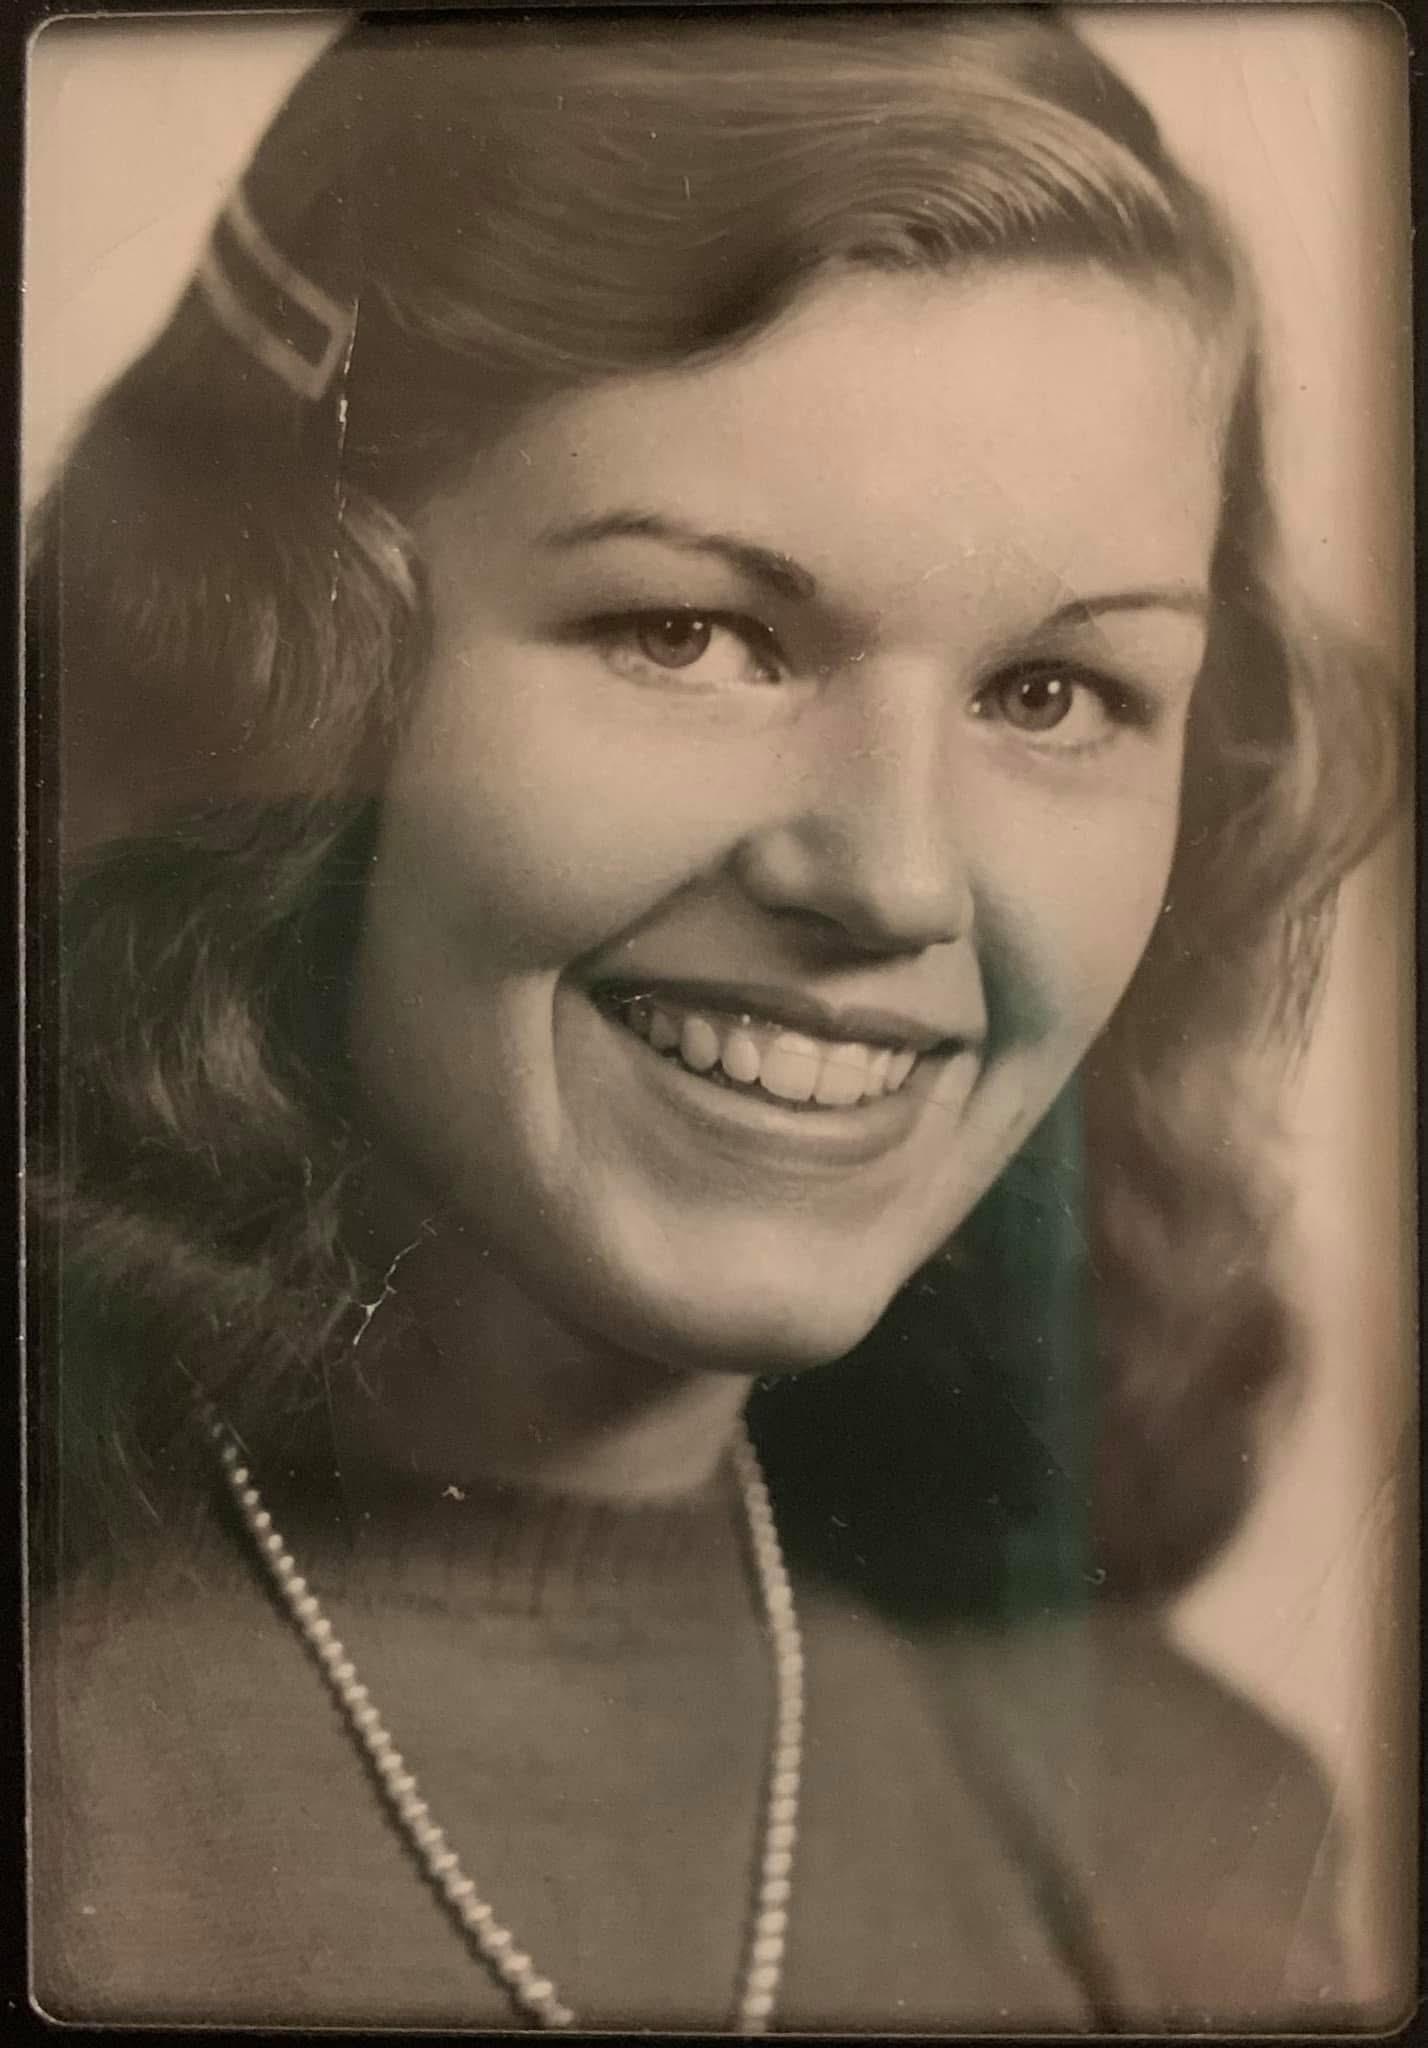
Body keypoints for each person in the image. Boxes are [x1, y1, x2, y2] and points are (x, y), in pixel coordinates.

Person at [27, 9, 1401, 2033]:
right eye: (691, 632)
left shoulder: (1189, 1850)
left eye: (1053, 694)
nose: (896, 879)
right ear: (274, 670)